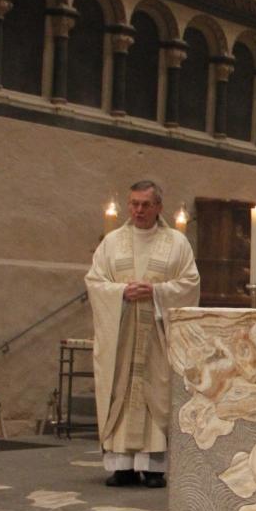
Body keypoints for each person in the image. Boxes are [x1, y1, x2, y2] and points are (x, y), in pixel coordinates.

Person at [85, 180, 200, 488]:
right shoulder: (112, 242)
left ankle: (152, 466)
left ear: (158, 207)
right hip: (122, 334)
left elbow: (190, 284)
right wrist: (122, 291)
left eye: (145, 204)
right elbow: (95, 282)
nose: (138, 210)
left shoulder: (177, 243)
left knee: (157, 390)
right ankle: (121, 464)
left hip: (158, 335)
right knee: (119, 391)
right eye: (134, 203)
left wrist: (156, 291)